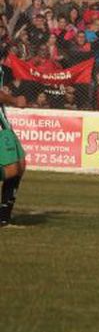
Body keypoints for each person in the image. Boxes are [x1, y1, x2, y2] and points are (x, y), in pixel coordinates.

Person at [0, 73, 28, 226]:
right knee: (11, 169)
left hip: (3, 120)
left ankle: (4, 217)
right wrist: (14, 100)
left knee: (20, 164)